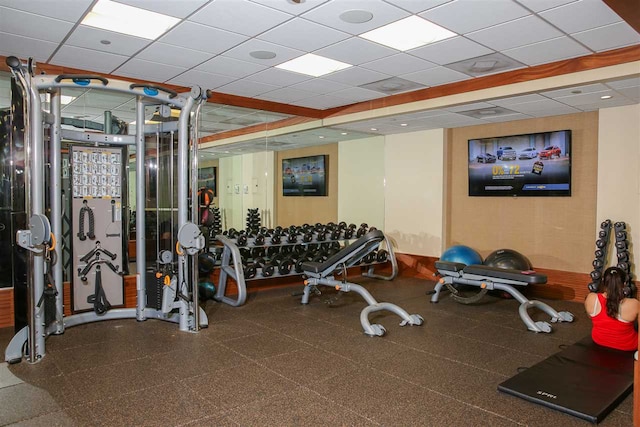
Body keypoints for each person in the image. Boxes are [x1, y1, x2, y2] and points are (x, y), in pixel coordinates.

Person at [584, 266, 638, 352]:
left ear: (603, 282)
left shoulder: (591, 298)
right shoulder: (633, 304)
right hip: (628, 345)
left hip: (599, 340)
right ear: (624, 284)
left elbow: (591, 317)